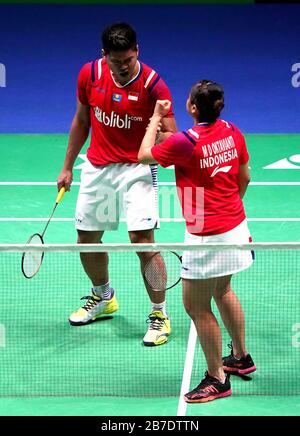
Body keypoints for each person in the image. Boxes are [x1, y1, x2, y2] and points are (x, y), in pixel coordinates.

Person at [57, 22, 177, 346]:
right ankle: (104, 296)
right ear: (104, 55)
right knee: (86, 239)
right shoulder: (90, 74)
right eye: (116, 61)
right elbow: (82, 120)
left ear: (137, 51)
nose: (123, 67)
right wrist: (67, 166)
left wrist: (153, 127)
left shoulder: (154, 86)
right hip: (98, 166)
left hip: (138, 166)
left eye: (128, 60)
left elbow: (172, 139)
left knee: (143, 241)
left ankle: (159, 313)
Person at [138, 80, 256, 402]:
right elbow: (244, 176)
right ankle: (241, 358)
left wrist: (154, 117)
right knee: (223, 289)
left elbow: (144, 155)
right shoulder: (232, 131)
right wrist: (230, 209)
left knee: (195, 305)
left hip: (206, 235)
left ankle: (217, 378)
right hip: (235, 226)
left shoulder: (185, 142)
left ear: (191, 107)